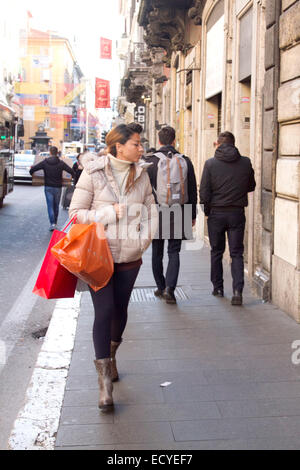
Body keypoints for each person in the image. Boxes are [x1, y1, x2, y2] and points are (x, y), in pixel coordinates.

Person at [69, 124, 158, 410]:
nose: (141, 148)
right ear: (119, 146)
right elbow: (75, 214)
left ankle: (112, 354)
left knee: (120, 310)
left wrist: (144, 240)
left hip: (130, 256)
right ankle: (104, 385)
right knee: (104, 311)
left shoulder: (142, 174)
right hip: (98, 256)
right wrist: (107, 213)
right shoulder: (93, 173)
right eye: (136, 143)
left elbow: (152, 210)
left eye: (141, 143)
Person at [199, 131, 256, 306]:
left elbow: (204, 192)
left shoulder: (210, 164)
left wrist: (208, 211)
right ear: (234, 143)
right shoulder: (245, 162)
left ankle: (218, 287)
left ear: (217, 144)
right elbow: (251, 185)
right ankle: (238, 291)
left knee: (216, 251)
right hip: (237, 212)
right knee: (237, 252)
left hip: (216, 213)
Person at [146, 126, 197, 304]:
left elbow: (143, 191)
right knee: (174, 251)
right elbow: (192, 189)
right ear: (174, 140)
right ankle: (170, 289)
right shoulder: (185, 161)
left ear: (158, 141)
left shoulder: (150, 161)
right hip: (179, 210)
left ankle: (160, 287)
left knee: (157, 252)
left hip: (156, 211)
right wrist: (192, 215)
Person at [30, 146, 74, 231]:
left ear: (50, 152)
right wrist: (72, 178)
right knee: (56, 205)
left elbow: (34, 169)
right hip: (58, 187)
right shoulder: (61, 163)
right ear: (57, 153)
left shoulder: (45, 162)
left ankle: (52, 223)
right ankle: (55, 222)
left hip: (48, 187)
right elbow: (71, 171)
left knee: (50, 206)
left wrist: (32, 174)